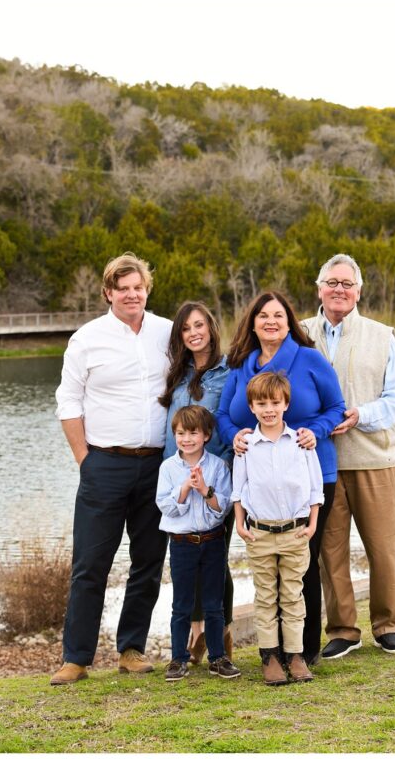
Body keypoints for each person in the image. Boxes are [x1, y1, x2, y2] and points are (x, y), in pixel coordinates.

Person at [50, 252, 172, 685]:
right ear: (109, 293)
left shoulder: (166, 333)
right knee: (90, 562)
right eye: (123, 289)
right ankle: (76, 658)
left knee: (148, 560)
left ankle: (131, 649)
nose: (132, 294)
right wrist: (86, 460)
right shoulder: (87, 339)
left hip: (156, 463)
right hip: (104, 462)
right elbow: (68, 402)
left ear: (146, 289)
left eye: (138, 287)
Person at [216, 290, 345, 665]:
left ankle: (303, 652)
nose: (270, 321)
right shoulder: (240, 364)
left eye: (278, 315)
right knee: (267, 571)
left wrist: (316, 431)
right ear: (252, 323)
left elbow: (336, 407)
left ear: (289, 322)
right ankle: (271, 653)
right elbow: (225, 415)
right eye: (263, 316)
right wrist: (233, 436)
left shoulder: (309, 360)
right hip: (258, 480)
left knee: (303, 562)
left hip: (309, 473)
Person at [302, 254, 395, 657]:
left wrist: (360, 415)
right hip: (320, 465)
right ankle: (343, 629)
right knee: (329, 552)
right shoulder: (299, 333)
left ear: (359, 291)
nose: (339, 290)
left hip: (374, 460)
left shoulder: (382, 335)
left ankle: (388, 623)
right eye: (332, 282)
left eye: (347, 284)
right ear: (319, 288)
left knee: (384, 547)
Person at [232, 372, 324, 685]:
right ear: (252, 407)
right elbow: (238, 489)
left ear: (285, 404)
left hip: (295, 533)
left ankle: (295, 656)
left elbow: (315, 489)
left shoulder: (301, 442)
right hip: (259, 533)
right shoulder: (246, 446)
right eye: (261, 403)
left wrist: (312, 525)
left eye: (275, 402)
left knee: (293, 596)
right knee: (266, 596)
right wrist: (239, 524)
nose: (269, 408)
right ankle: (270, 656)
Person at [158, 301, 234, 664]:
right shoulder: (178, 373)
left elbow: (234, 419)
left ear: (211, 328)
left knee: (218, 560)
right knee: (188, 558)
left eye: (199, 325)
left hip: (215, 478)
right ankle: (196, 635)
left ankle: (222, 637)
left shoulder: (228, 372)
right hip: (176, 476)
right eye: (186, 328)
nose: (194, 333)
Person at [155, 405, 238, 682]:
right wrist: (185, 488)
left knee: (214, 604)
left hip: (212, 540)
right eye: (180, 433)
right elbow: (166, 506)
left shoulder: (217, 466)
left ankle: (218, 658)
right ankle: (178, 658)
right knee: (182, 603)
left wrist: (204, 490)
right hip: (181, 543)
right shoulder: (168, 468)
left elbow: (222, 507)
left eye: (193, 433)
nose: (186, 439)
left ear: (206, 435)